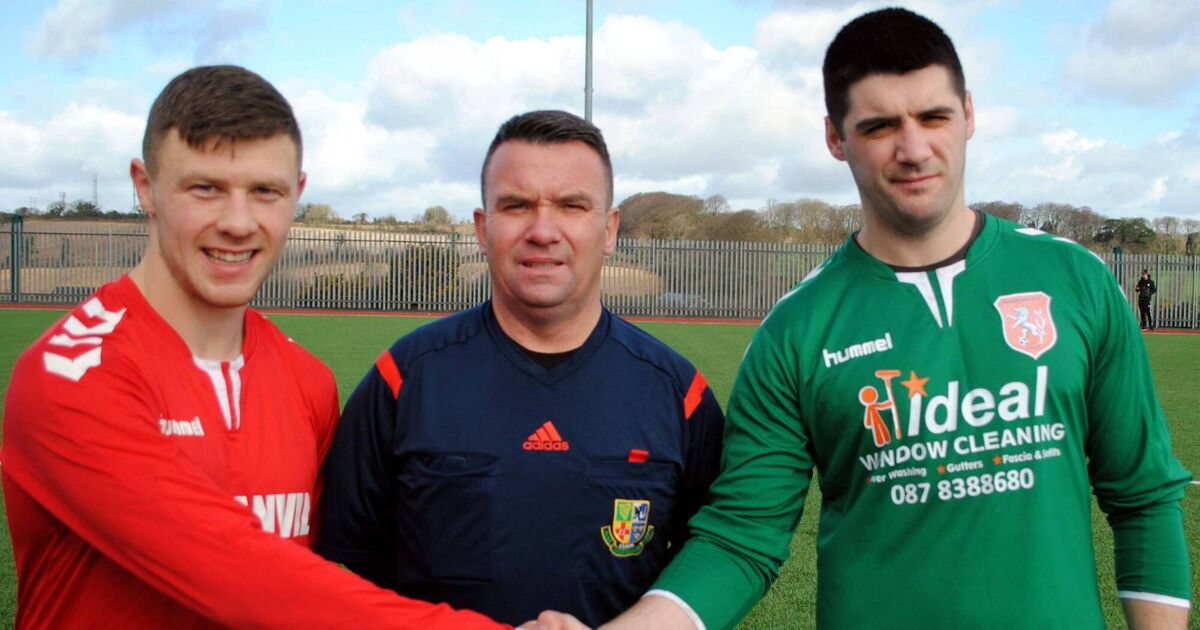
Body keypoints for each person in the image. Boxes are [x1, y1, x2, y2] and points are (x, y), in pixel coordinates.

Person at [558, 8, 1191, 630]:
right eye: (880, 125)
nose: (913, 149)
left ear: (968, 114)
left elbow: (1142, 498)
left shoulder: (1075, 280)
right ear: (835, 137)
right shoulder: (795, 331)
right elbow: (741, 539)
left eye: (934, 116)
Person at [1, 65, 504, 629]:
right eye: (205, 188)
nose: (238, 223)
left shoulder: (306, 380)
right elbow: (250, 584)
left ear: (298, 194)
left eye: (266, 191)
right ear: (145, 187)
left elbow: (322, 571)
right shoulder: (72, 374)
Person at [316, 110, 725, 627]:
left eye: (572, 205)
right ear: (483, 228)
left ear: (609, 228)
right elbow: (343, 571)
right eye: (516, 205)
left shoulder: (678, 391)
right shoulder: (404, 379)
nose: (542, 230)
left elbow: (709, 563)